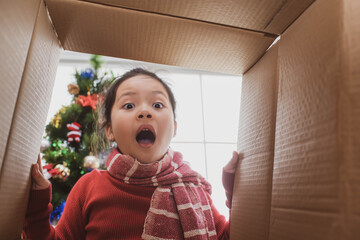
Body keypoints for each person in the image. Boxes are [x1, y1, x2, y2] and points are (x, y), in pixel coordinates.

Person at [22, 68, 241, 239]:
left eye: (157, 104)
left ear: (174, 127)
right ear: (109, 130)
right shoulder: (89, 187)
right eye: (129, 105)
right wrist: (36, 205)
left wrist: (238, 195)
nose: (144, 112)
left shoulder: (194, 190)